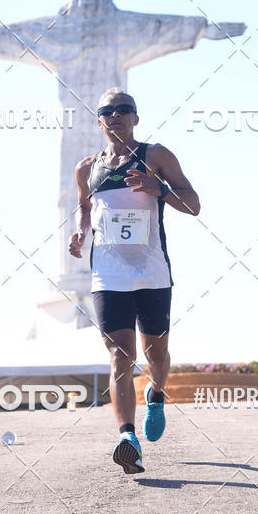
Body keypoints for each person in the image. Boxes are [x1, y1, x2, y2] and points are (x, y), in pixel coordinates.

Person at [68, 88, 200, 474]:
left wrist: (159, 189)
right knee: (120, 354)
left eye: (124, 110)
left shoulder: (156, 155)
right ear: (99, 120)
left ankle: (157, 394)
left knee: (156, 355)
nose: (116, 116)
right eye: (107, 111)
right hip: (108, 274)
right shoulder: (86, 168)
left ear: (136, 118)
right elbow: (84, 206)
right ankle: (127, 437)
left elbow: (193, 204)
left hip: (152, 271)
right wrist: (80, 231)